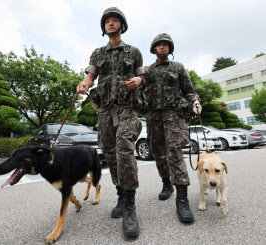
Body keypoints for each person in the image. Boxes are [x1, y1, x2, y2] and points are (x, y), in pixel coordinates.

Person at [76, 7, 145, 239]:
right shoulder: (97, 53)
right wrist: (85, 84)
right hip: (105, 109)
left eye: (116, 21)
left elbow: (142, 75)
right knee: (109, 152)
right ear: (104, 27)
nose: (111, 24)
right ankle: (121, 194)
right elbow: (90, 74)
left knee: (124, 148)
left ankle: (130, 207)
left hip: (127, 108)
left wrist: (139, 80)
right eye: (108, 21)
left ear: (122, 25)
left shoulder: (134, 51)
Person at [142, 33, 202, 223]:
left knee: (175, 153)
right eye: (159, 45)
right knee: (158, 153)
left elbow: (188, 90)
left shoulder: (178, 67)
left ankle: (182, 199)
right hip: (152, 117)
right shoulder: (146, 70)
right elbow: (137, 89)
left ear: (170, 49)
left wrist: (195, 101)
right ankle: (166, 184)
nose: (162, 47)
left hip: (172, 115)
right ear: (154, 48)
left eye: (165, 45)